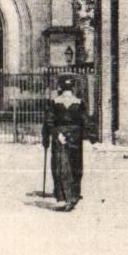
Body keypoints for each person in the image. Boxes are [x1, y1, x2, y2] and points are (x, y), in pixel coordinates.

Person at [42, 75, 86, 210]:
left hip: (59, 136)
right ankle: (73, 196)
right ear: (73, 88)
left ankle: (62, 197)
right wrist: (92, 139)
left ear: (60, 87)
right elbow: (85, 121)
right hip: (75, 137)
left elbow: (49, 122)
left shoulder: (54, 102)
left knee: (59, 166)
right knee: (75, 165)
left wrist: (47, 138)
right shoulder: (79, 102)